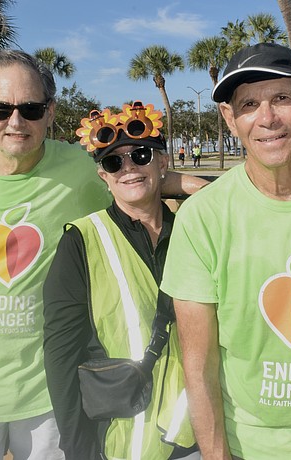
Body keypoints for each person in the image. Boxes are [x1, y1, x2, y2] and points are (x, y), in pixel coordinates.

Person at [0, 49, 206, 459]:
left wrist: (196, 188)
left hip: (49, 401)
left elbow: (132, 177)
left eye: (31, 108)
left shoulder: (80, 170)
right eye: (2, 109)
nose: (16, 121)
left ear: (51, 111)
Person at [160, 43, 291, 459]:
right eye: (249, 104)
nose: (267, 118)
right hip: (248, 446)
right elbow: (199, 370)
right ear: (229, 119)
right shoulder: (203, 217)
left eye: (282, 98)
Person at [42, 101, 197, 459]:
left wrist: (184, 184)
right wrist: (76, 446)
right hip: (121, 441)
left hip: (194, 432)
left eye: (141, 155)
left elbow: (234, 201)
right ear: (104, 176)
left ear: (163, 162)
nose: (127, 168)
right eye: (114, 162)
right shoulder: (81, 241)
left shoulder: (193, 229)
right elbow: (61, 355)